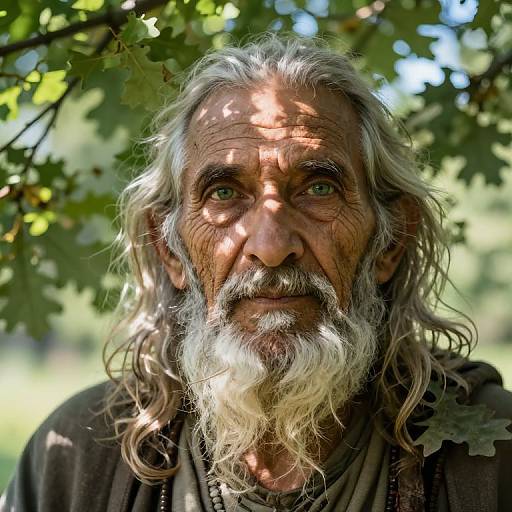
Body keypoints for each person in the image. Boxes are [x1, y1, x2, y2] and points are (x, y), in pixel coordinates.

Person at [2, 35, 511, 512]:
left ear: (390, 242)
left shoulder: (492, 459)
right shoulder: (77, 459)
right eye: (224, 193)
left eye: (317, 189)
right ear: (171, 251)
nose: (270, 248)